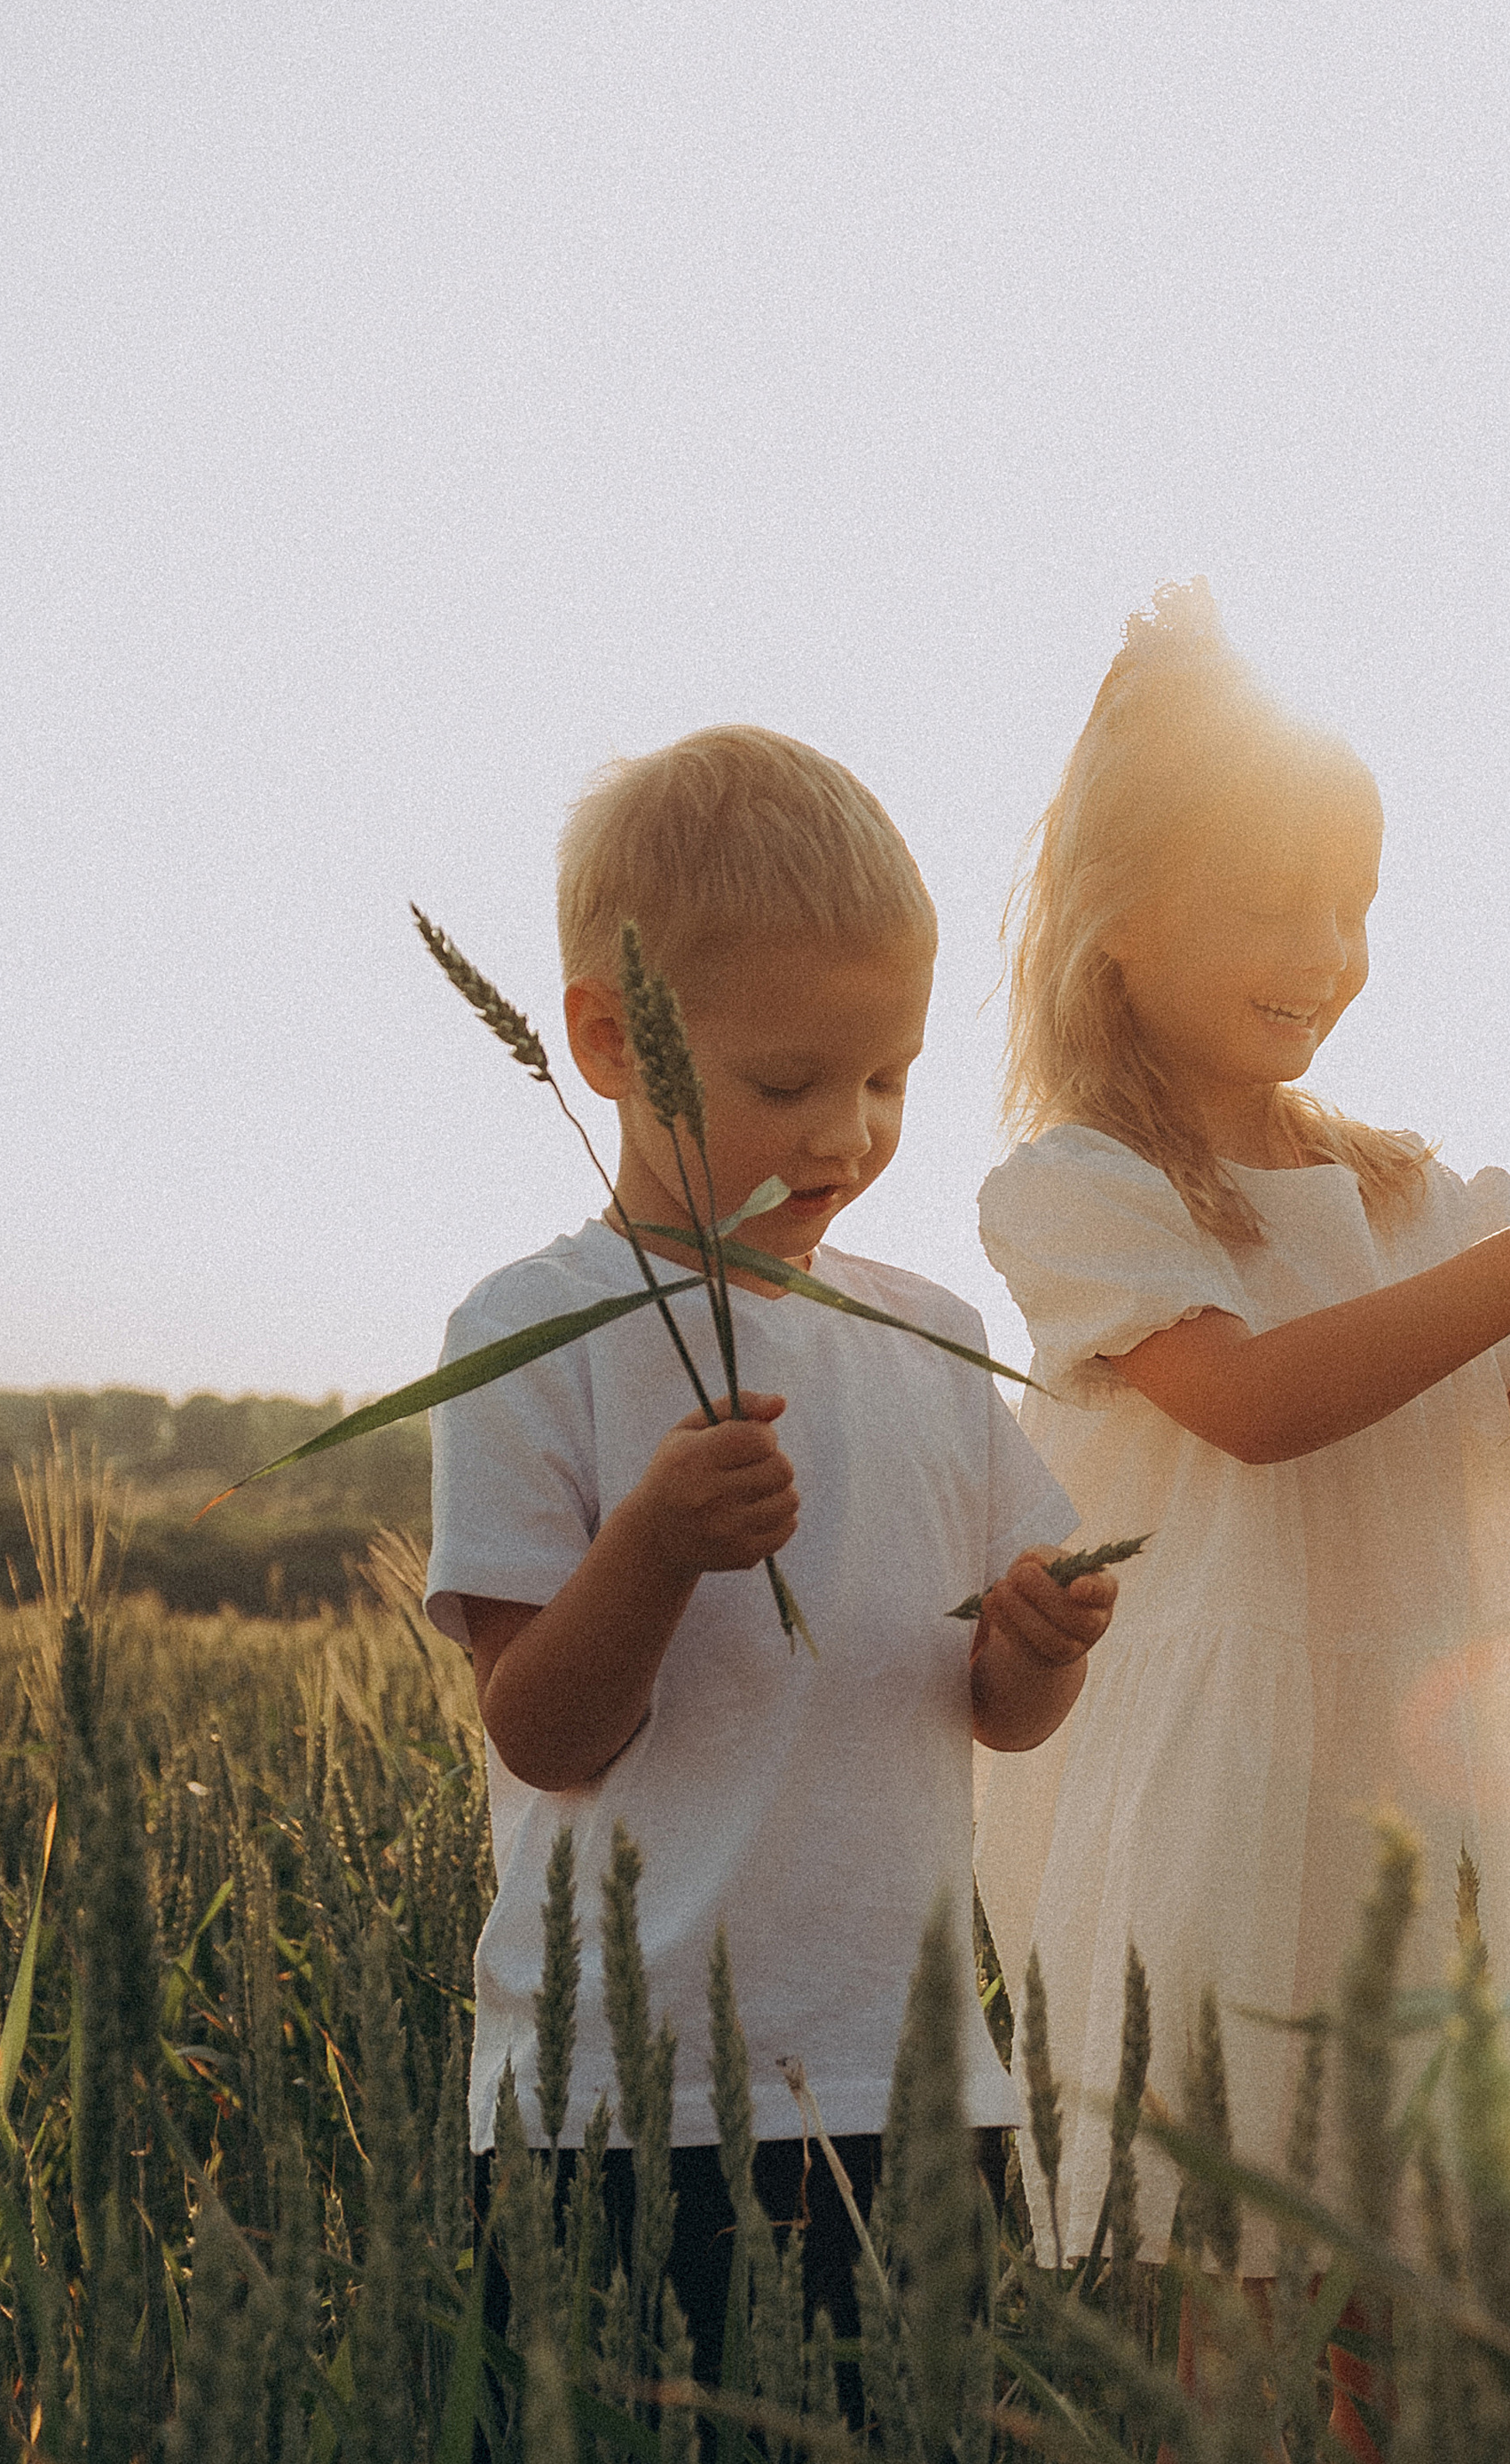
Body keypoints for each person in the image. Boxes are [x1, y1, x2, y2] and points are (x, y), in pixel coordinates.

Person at [975, 582, 1510, 2291]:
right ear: (1117, 917)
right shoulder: (1084, 1193)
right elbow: (1265, 1405)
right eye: (1271, 908)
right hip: (1232, 1782)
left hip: (1433, 1774)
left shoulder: (1420, 1196)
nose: (1325, 955)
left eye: (1351, 908)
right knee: (1238, 2271)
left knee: (1401, 2295)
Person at [426, 725, 1117, 2380]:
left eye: (887, 1080)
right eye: (789, 1084)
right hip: (620, 2102)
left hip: (913, 2083)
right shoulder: (531, 1336)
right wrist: (657, 1545)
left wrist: (1040, 1642)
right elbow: (540, 1729)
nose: (849, 1135)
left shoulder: (932, 1341)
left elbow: (996, 1713)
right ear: (605, 1040)